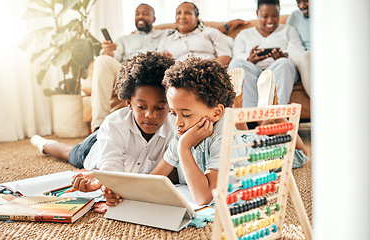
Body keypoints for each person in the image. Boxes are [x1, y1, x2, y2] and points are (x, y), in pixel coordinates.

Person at [104, 58, 308, 206]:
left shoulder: (215, 140)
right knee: (241, 132)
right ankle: (238, 110)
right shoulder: (180, 133)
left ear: (216, 112)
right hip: (234, 135)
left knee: (299, 155)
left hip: (252, 152)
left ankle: (274, 112)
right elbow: (155, 177)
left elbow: (204, 197)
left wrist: (184, 148)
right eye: (173, 113)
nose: (178, 123)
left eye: (185, 114)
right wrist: (123, 193)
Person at [31, 52, 176, 192]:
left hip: (115, 136)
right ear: (129, 103)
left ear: (169, 105)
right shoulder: (114, 124)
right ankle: (42, 143)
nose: (150, 115)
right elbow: (112, 176)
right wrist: (105, 184)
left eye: (159, 107)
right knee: (68, 153)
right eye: (142, 107)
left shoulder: (175, 128)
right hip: (96, 145)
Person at [90, 3, 172, 132]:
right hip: (127, 72)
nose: (140, 17)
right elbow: (112, 59)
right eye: (137, 14)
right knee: (102, 60)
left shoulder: (166, 35)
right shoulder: (124, 40)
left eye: (145, 14)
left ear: (154, 19)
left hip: (153, 73)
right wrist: (108, 52)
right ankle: (98, 126)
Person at [228, 0, 305, 108]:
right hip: (254, 70)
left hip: (279, 69)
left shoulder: (288, 31)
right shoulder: (244, 34)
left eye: (275, 15)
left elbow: (299, 54)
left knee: (284, 63)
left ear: (279, 13)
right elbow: (236, 57)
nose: (270, 20)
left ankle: (276, 115)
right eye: (265, 16)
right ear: (257, 14)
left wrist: (285, 56)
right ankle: (250, 116)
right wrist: (249, 59)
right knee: (236, 64)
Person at [157, 2, 249, 66]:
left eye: (188, 13)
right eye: (179, 13)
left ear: (196, 18)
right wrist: (164, 60)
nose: (182, 17)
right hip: (178, 76)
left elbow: (225, 56)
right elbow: (159, 66)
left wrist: (207, 67)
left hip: (208, 72)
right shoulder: (165, 41)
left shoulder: (211, 32)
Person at [286, 0, 311, 97]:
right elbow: (286, 40)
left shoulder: (332, 13)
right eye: (298, 1)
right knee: (304, 56)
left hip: (329, 54)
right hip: (308, 60)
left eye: (306, 1)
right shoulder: (294, 17)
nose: (302, 6)